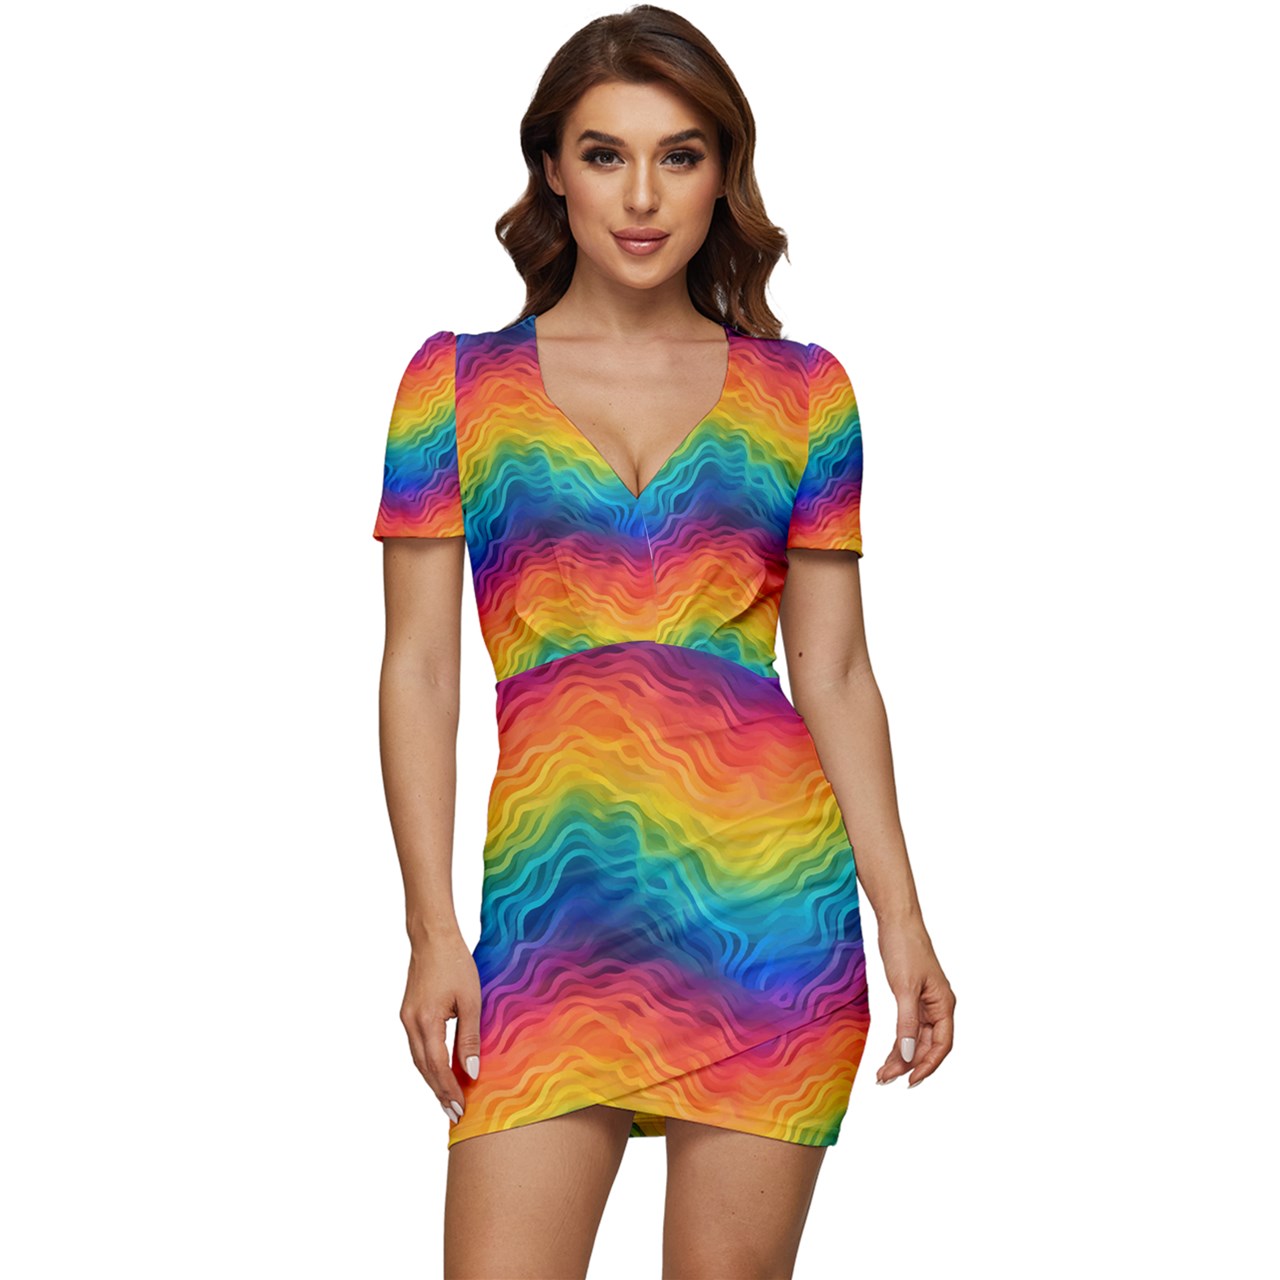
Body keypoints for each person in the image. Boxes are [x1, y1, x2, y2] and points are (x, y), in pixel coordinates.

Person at [372, 6, 955, 1276]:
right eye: (604, 154)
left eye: (678, 155)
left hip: (768, 920)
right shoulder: (453, 384)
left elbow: (834, 671)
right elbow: (418, 668)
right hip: (550, 923)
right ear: (551, 168)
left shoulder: (804, 391)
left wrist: (902, 917)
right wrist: (430, 926)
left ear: (720, 173)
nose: (640, 196)